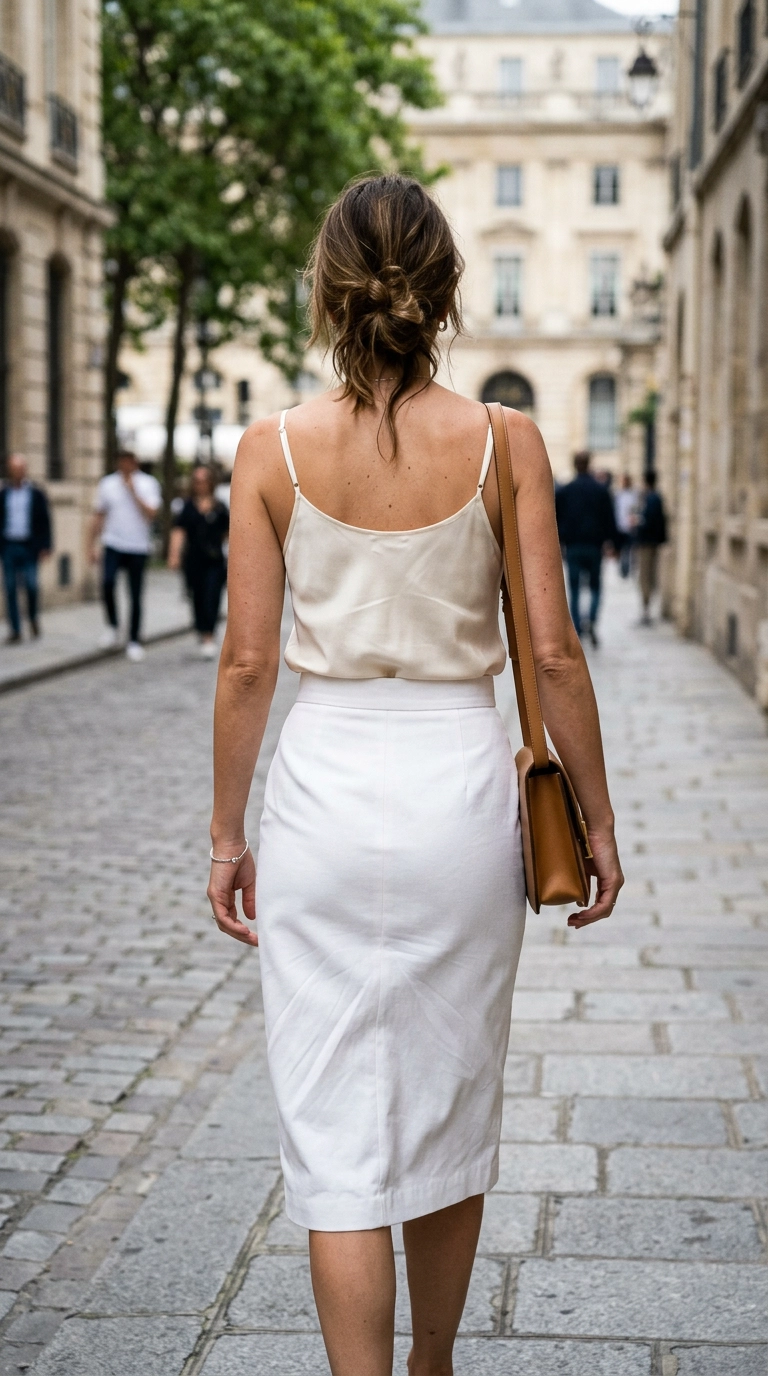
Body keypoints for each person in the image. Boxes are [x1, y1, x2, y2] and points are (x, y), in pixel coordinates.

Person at [207, 174, 623, 1376]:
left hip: (325, 778)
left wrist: (228, 834)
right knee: (445, 1095)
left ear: (326, 291)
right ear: (443, 292)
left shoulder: (271, 448)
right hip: (458, 784)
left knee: (335, 1120)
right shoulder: (507, 440)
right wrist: (595, 819)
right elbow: (552, 650)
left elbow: (244, 662)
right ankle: (432, 1364)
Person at [90, 448, 162, 662]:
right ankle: (112, 626)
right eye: (121, 461)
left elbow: (151, 514)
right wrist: (91, 545)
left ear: (135, 463)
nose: (125, 465)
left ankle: (134, 639)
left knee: (135, 594)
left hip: (138, 547)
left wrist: (133, 491)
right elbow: (98, 515)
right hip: (112, 543)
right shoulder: (107, 484)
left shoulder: (148, 483)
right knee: (107, 583)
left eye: (128, 461)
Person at [555, 450, 618, 647]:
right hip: (594, 546)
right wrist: (614, 543)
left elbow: (556, 520)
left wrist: (560, 543)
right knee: (595, 587)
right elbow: (610, 518)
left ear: (575, 465)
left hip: (573, 546)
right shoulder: (600, 490)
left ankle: (577, 628)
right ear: (589, 464)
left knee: (574, 589)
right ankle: (591, 620)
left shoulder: (565, 491)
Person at [168, 465, 229, 658]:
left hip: (215, 561)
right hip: (193, 561)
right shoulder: (187, 506)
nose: (201, 484)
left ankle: (209, 635)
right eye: (197, 481)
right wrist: (174, 554)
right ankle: (202, 630)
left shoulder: (220, 507)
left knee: (212, 597)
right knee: (197, 597)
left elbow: (229, 534)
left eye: (204, 480)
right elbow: (179, 531)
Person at [0, 454, 52, 644]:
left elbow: (45, 521)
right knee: (10, 588)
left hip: (30, 547)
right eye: (14, 468)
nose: (17, 472)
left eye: (20, 468)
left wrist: (46, 546)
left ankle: (32, 617)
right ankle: (15, 630)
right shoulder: (4, 493)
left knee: (31, 586)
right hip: (9, 546)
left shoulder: (36, 493)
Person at [635, 470, 667, 625]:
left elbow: (650, 522)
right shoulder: (656, 497)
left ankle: (646, 609)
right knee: (648, 575)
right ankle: (646, 608)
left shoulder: (651, 499)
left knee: (645, 576)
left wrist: (638, 522)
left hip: (647, 543)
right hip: (652, 542)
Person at [614, 473, 638, 578]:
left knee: (628, 549)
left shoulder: (633, 495)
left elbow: (635, 510)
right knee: (621, 549)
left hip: (629, 527)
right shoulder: (618, 495)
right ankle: (623, 568)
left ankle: (626, 569)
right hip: (620, 526)